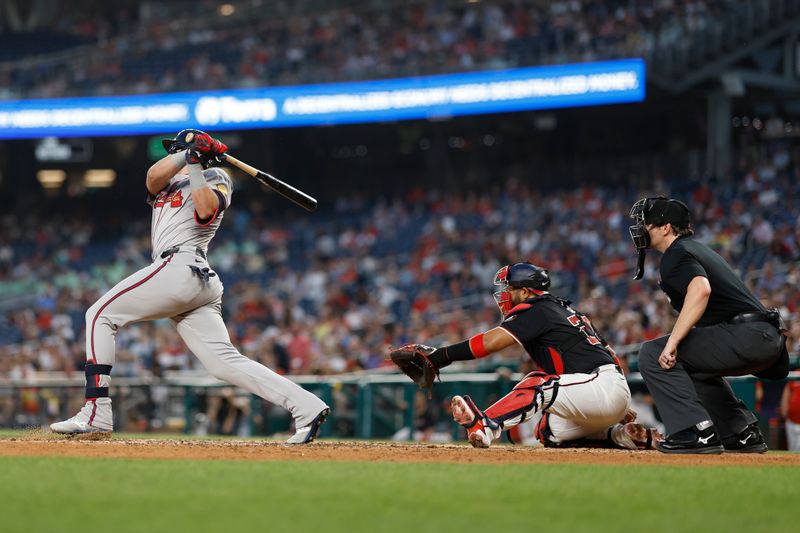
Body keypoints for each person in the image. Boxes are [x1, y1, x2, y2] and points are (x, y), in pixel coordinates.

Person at [50, 129, 330, 444]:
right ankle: (307, 407)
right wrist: (187, 154)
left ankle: (96, 410)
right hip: (186, 278)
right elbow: (152, 176)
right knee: (222, 363)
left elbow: (205, 210)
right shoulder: (165, 183)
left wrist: (196, 164)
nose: (170, 156)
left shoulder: (218, 176)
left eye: (176, 149)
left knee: (99, 314)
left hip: (182, 267)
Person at [394, 262, 660, 450]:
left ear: (525, 291)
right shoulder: (560, 310)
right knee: (548, 431)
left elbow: (491, 342)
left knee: (539, 382)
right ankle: (622, 437)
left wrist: (440, 356)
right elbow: (609, 353)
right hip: (601, 388)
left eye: (508, 288)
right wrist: (618, 407)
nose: (504, 295)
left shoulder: (538, 308)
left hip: (600, 385)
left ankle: (485, 424)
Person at [628, 196, 788, 454]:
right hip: (764, 337)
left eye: (646, 223)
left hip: (747, 334)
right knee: (689, 364)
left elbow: (701, 289)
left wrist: (672, 342)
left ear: (666, 227)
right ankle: (741, 431)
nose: (640, 229)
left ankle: (694, 431)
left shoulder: (676, 253)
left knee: (651, 353)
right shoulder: (694, 248)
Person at [779, 380, 800, 451]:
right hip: (791, 420)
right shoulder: (795, 376)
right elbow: (786, 394)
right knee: (792, 448)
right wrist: (784, 412)